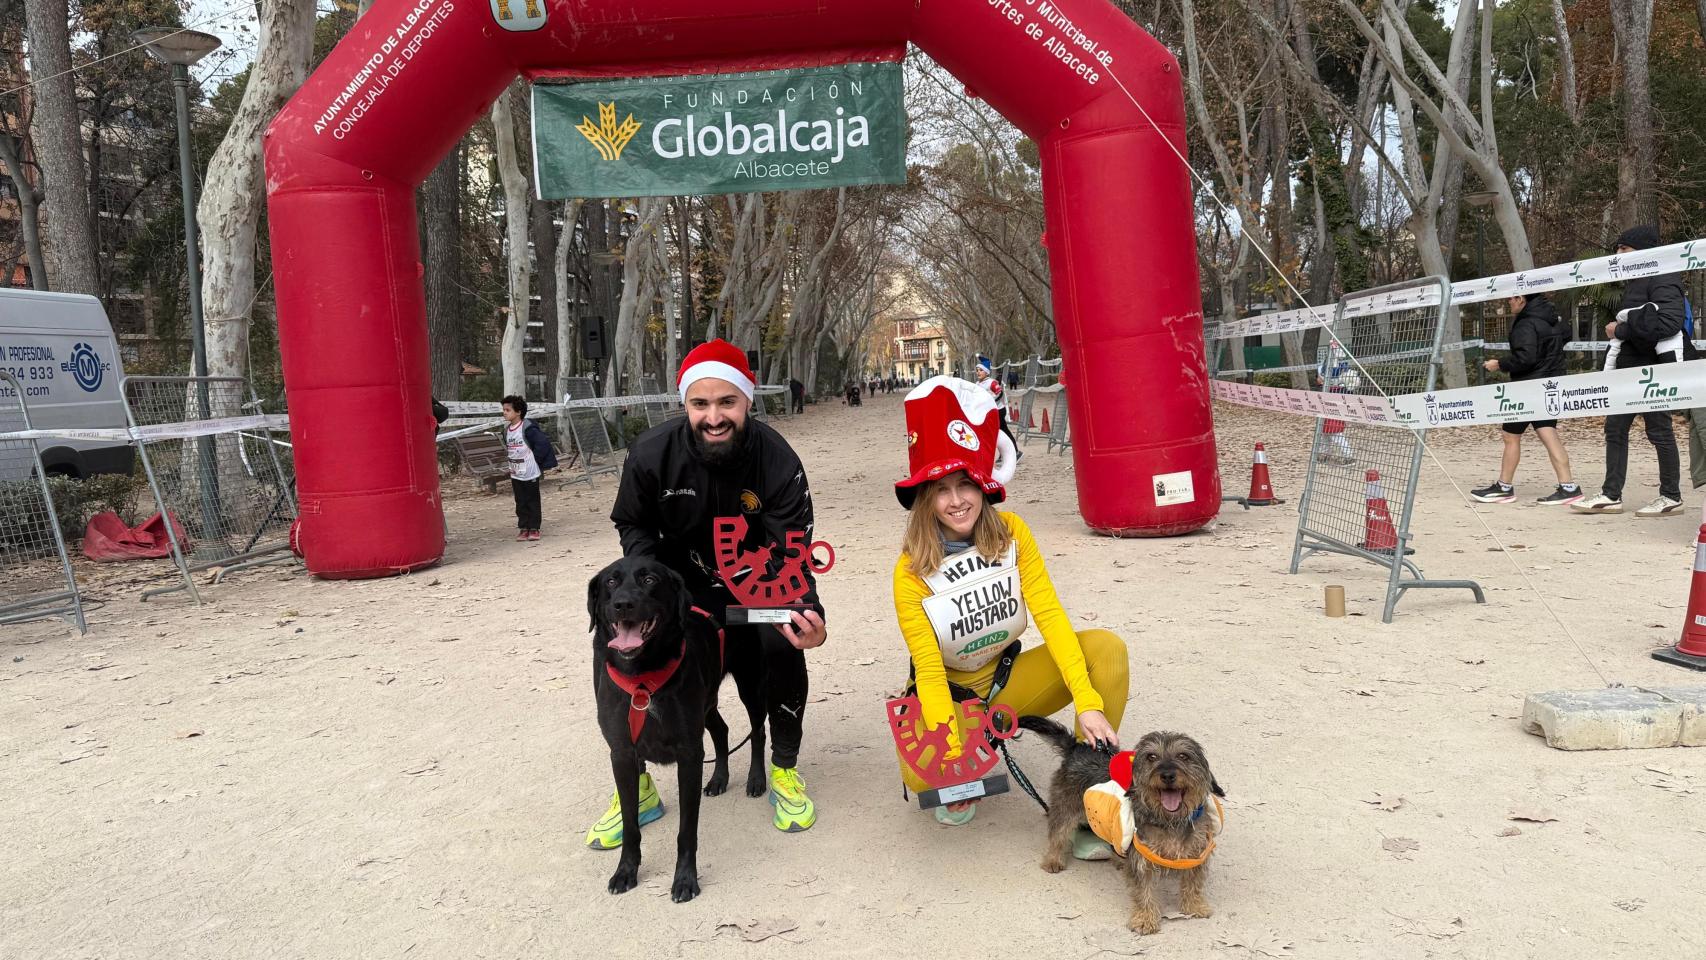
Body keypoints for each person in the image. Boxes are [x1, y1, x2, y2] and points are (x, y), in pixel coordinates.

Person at [593, 339, 827, 848]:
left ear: (747, 401)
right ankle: (636, 783)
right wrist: (657, 590)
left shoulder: (778, 461)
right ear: (685, 405)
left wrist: (806, 609)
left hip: (750, 595)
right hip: (679, 593)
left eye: (727, 402)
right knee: (617, 639)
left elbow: (792, 548)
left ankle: (783, 768)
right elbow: (631, 522)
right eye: (701, 404)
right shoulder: (651, 454)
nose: (714, 416)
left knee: (785, 637)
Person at [889, 376, 1124, 839]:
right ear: (924, 498)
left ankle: (1089, 793)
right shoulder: (909, 571)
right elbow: (930, 671)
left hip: (1006, 680)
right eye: (940, 488)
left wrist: (1089, 704)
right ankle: (969, 750)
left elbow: (1050, 617)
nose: (956, 501)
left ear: (983, 484)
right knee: (925, 777)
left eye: (965, 484)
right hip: (951, 694)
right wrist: (953, 755)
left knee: (1107, 651)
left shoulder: (1013, 532)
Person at [1573, 225, 1686, 517]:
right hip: (1628, 366)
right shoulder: (1634, 280)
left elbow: (1668, 324)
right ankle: (1611, 495)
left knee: (1659, 430)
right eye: (1617, 249)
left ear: (1644, 251)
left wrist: (1619, 328)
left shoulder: (1664, 276)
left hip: (1653, 368)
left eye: (1624, 249)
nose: (1618, 255)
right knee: (1615, 428)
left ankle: (1670, 496)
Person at [1471, 292, 1582, 505]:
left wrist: (1500, 364)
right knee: (1547, 433)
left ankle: (1504, 487)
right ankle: (1568, 486)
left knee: (1511, 435)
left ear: (1522, 299)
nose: (1508, 302)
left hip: (1528, 388)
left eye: (1511, 298)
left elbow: (1526, 357)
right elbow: (1565, 336)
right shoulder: (1551, 318)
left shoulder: (1525, 323)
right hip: (1550, 383)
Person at [501, 395, 556, 541]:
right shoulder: (507, 431)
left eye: (508, 410)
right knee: (520, 501)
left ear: (518, 412)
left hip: (530, 472)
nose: (504, 413)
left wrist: (535, 461)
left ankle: (534, 528)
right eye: (503, 410)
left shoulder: (528, 428)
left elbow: (542, 444)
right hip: (515, 472)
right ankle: (523, 528)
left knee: (532, 500)